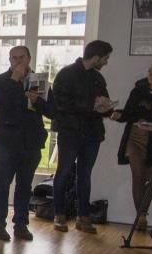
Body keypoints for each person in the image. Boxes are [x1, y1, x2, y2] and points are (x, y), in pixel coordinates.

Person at [49, 40, 114, 233]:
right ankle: (59, 214)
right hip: (70, 132)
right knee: (64, 172)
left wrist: (106, 107)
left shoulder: (98, 78)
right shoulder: (66, 74)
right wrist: (91, 105)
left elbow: (102, 104)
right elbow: (60, 104)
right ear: (96, 57)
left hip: (92, 133)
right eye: (105, 58)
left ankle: (83, 216)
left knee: (85, 175)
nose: (106, 62)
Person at [0, 45, 52, 241]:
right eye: (13, 58)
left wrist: (37, 102)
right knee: (2, 183)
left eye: (21, 57)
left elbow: (52, 111)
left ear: (29, 58)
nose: (17, 61)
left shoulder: (39, 82)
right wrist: (15, 79)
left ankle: (21, 224)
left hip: (31, 142)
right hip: (7, 142)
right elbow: (4, 105)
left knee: (24, 185)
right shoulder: (0, 81)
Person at [113, 61, 152, 229]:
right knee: (137, 176)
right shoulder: (138, 90)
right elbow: (129, 113)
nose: (151, 75)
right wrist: (118, 114)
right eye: (150, 71)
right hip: (135, 137)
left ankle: (142, 214)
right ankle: (141, 217)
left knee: (149, 180)